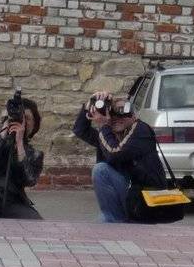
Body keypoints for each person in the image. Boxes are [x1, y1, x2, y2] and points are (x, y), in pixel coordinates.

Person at [72, 95, 169, 223]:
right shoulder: (109, 136)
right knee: (102, 223)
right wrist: (89, 104)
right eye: (112, 113)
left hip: (146, 198)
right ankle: (115, 221)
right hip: (131, 196)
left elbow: (114, 154)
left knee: (101, 170)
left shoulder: (141, 130)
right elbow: (80, 130)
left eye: (123, 112)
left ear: (134, 116)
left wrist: (103, 125)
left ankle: (116, 222)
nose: (117, 118)